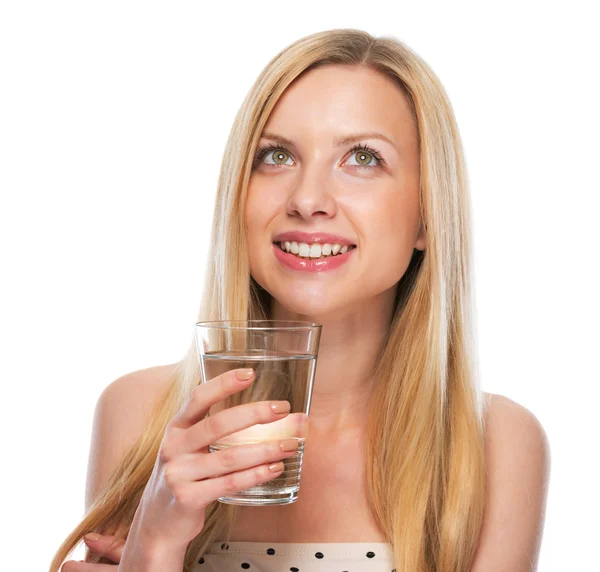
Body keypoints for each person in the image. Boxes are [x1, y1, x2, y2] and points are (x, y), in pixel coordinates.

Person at [52, 28, 550, 572]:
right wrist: (156, 549)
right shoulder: (141, 415)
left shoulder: (494, 447)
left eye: (362, 158)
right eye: (276, 156)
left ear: (428, 215)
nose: (308, 200)